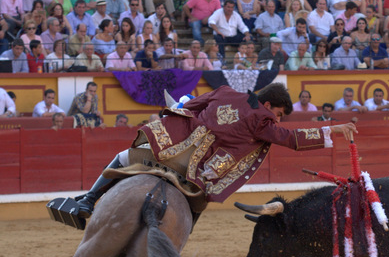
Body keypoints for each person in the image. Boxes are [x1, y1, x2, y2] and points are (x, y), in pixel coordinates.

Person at [72, 83, 358, 220]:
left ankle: (88, 200)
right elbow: (291, 139)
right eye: (280, 114)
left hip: (174, 146)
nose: (278, 120)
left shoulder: (223, 91)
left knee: (123, 157)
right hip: (199, 169)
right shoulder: (263, 119)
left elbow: (190, 107)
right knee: (197, 202)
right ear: (269, 105)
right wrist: (331, 129)